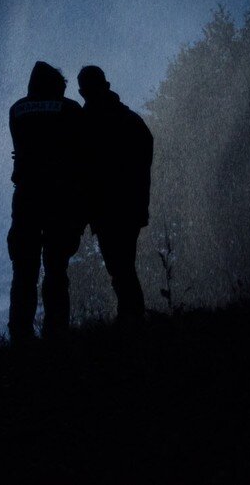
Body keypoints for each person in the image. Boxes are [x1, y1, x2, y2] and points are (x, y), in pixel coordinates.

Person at [7, 60, 86, 343]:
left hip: (26, 197)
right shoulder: (70, 109)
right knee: (56, 268)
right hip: (59, 197)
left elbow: (22, 150)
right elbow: (81, 155)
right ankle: (56, 330)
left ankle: (20, 333)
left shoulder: (16, 110)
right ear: (56, 86)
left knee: (24, 271)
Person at [77, 66, 154, 325]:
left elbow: (80, 168)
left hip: (107, 207)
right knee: (122, 265)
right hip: (127, 205)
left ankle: (131, 316)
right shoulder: (129, 119)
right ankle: (132, 314)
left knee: (119, 266)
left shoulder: (85, 124)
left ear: (82, 91)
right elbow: (144, 159)